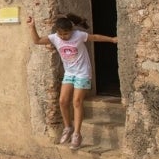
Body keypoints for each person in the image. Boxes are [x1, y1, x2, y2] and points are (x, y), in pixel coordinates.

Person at [27, 14, 118, 150]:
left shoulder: (79, 35)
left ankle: (77, 134)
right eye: (61, 34)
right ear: (57, 32)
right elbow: (37, 40)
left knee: (77, 101)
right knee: (63, 101)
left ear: (72, 30)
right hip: (69, 73)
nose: (64, 36)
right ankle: (68, 127)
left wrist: (112, 39)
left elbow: (95, 37)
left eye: (66, 33)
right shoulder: (55, 38)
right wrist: (32, 27)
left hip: (83, 73)